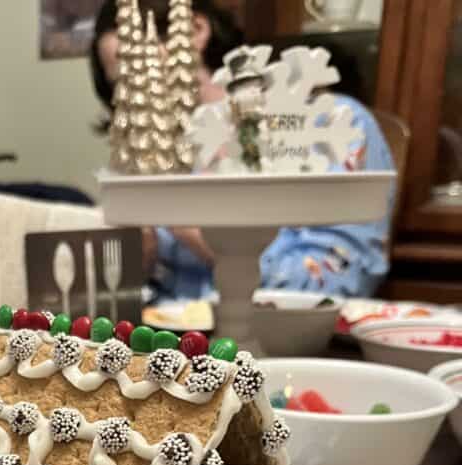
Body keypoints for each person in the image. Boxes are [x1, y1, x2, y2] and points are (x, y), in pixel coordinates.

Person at [90, 0, 394, 300]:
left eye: (138, 69)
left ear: (195, 29)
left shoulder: (331, 125)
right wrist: (141, 258)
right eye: (118, 85)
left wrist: (203, 236)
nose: (132, 96)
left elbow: (337, 284)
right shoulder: (151, 156)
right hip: (172, 339)